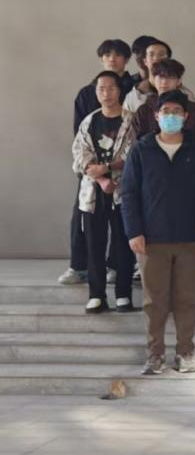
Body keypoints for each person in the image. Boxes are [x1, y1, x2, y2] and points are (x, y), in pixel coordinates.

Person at [119, 91, 195, 375]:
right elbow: (129, 193)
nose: (171, 116)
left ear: (185, 116)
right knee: (154, 301)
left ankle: (185, 352)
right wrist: (134, 231)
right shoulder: (141, 150)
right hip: (152, 239)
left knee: (187, 299)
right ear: (156, 116)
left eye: (177, 111)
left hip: (191, 238)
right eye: (166, 111)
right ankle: (155, 354)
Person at [64, 40, 135, 288]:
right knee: (83, 218)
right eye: (107, 55)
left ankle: (117, 267)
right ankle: (79, 266)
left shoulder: (133, 89)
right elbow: (80, 137)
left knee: (122, 222)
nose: (112, 59)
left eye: (117, 55)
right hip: (92, 171)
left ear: (127, 59)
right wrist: (96, 171)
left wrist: (111, 170)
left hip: (123, 173)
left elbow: (134, 143)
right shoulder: (87, 93)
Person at [131, 58, 195, 141]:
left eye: (170, 77)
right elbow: (136, 143)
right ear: (154, 80)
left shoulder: (191, 109)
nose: (164, 82)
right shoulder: (143, 110)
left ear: (179, 81)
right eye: (160, 77)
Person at [123, 38, 173, 112]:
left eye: (161, 54)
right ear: (145, 61)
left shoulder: (182, 93)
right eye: (151, 55)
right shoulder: (134, 96)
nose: (156, 58)